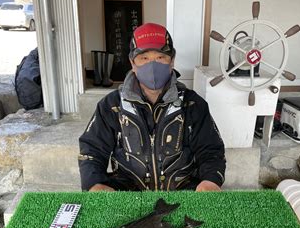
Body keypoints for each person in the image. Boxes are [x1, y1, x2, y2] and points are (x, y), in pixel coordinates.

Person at [78, 23, 225, 192]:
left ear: (172, 61)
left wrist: (210, 181)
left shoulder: (193, 104)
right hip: (128, 192)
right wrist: (94, 183)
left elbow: (211, 151)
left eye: (161, 57)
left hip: (183, 192)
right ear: (132, 63)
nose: (152, 65)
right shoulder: (112, 106)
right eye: (144, 58)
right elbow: (92, 151)